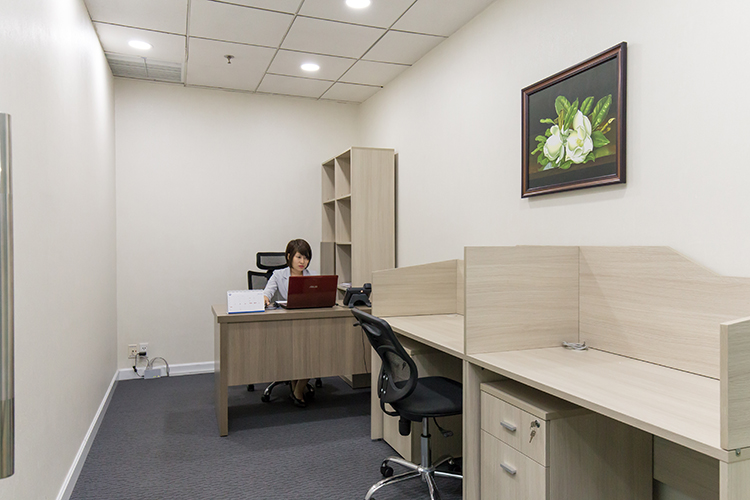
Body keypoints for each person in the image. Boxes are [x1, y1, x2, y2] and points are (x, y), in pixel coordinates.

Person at [263, 238, 313, 408]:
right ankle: (297, 389)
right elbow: (267, 292)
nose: (302, 262)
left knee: (312, 351)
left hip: (307, 323)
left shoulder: (312, 276)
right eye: (299, 257)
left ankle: (298, 388)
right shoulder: (278, 275)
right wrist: (265, 298)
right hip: (285, 324)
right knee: (298, 350)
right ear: (289, 256)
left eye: (306, 258)